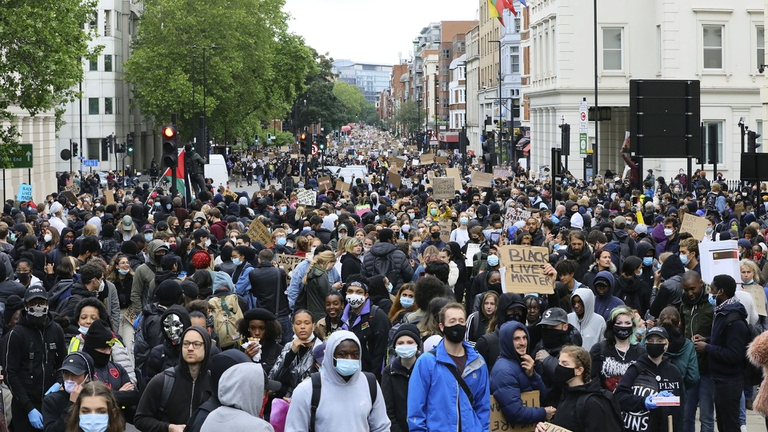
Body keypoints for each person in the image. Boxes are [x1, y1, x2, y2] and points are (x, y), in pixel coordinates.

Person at [407, 302, 490, 431]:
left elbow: (483, 406)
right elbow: (416, 409)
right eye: (452, 321)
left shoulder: (478, 362)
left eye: (461, 321)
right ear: (442, 326)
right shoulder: (427, 362)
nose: (457, 325)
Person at [284, 330, 390, 431]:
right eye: (342, 354)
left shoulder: (370, 384)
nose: (349, 359)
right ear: (331, 355)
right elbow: (295, 428)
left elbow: (381, 427)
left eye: (355, 355)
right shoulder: (306, 390)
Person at [5, 285, 67, 432]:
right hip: (25, 405)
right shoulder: (17, 334)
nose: (38, 307)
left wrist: (59, 382)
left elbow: (63, 363)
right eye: (33, 303)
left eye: (41, 302)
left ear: (47, 304)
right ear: (26, 306)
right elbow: (10, 374)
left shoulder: (56, 329)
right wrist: (28, 408)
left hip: (51, 401)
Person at [693, 274, 748, 432]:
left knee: (730, 424)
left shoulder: (734, 320)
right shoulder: (723, 312)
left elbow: (734, 354)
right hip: (720, 379)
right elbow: (723, 339)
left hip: (730, 381)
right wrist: (708, 339)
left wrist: (707, 348)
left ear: (721, 291)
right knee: (723, 424)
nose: (710, 293)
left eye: (713, 289)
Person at [133, 326, 213, 432]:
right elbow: (140, 419)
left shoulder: (214, 383)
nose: (190, 348)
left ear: (206, 347)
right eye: (186, 343)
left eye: (196, 344)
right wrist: (168, 428)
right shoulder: (162, 381)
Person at [534, 346, 620, 432]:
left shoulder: (591, 402)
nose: (559, 367)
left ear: (579, 370)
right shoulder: (566, 394)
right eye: (559, 362)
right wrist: (545, 427)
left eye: (565, 364)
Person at [615, 326, 684, 432]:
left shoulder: (674, 372)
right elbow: (619, 397)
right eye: (650, 341)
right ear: (645, 343)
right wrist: (643, 402)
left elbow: (681, 406)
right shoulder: (635, 369)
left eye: (659, 341)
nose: (654, 344)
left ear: (666, 345)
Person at [492, 321, 555, 426]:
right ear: (507, 342)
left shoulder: (523, 362)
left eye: (524, 337)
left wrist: (532, 375)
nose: (522, 343)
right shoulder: (504, 371)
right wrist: (543, 413)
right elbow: (515, 413)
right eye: (516, 339)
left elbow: (542, 396)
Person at [81, 320, 139, 420]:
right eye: (103, 349)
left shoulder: (117, 368)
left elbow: (134, 395)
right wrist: (119, 394)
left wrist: (106, 395)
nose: (107, 353)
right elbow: (86, 396)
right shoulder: (82, 368)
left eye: (109, 348)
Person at [679, 270, 714, 432]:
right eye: (686, 290)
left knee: (706, 416)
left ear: (701, 283)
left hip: (708, 366)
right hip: (689, 367)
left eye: (692, 288)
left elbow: (720, 333)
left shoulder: (711, 304)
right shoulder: (683, 304)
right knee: (687, 413)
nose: (690, 293)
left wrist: (706, 339)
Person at [340, 277, 391, 380]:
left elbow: (380, 353)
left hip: (370, 375)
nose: (354, 295)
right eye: (350, 291)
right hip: (346, 373)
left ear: (366, 295)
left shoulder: (377, 316)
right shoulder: (343, 316)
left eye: (359, 292)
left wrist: (373, 379)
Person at [200, 363, 276, 432]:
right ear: (252, 393)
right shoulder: (260, 428)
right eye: (264, 392)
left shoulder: (211, 417)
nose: (266, 397)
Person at [589, 306, 646, 391]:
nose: (623, 326)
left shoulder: (641, 352)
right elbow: (592, 380)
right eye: (619, 323)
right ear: (612, 325)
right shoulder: (598, 349)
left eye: (627, 323)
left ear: (633, 325)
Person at [269, 309, 322, 400]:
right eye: (298, 323)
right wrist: (291, 354)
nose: (302, 327)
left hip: (310, 398)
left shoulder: (320, 348)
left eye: (306, 323)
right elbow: (274, 378)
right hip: (286, 398)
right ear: (293, 327)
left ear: (313, 326)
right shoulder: (289, 346)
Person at [382, 324, 422, 432]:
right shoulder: (389, 372)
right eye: (400, 343)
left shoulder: (426, 369)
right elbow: (388, 410)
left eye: (410, 342)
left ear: (417, 346)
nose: (405, 346)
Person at [42, 352, 95, 432]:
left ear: (87, 377)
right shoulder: (51, 400)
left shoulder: (96, 398)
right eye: (66, 374)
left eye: (75, 374)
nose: (70, 379)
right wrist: (71, 404)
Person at [248, 249, 291, 344]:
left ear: (259, 260)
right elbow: (284, 289)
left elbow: (255, 293)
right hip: (281, 312)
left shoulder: (253, 273)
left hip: (263, 312)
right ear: (272, 260)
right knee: (286, 343)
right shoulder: (280, 272)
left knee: (266, 343)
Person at [237, 308, 284, 374]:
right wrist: (245, 358)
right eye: (252, 328)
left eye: (262, 328)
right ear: (247, 328)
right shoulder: (239, 346)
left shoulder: (278, 350)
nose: (257, 333)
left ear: (269, 329)